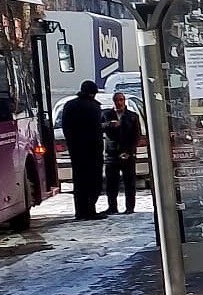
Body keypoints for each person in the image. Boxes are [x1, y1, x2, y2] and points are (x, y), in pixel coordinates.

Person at [62, 81, 105, 221]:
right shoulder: (93, 107)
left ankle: (80, 211)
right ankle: (90, 210)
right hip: (92, 151)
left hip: (76, 151)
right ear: (93, 92)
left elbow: (65, 128)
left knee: (79, 181)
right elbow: (96, 129)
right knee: (93, 181)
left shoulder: (69, 105)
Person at [102, 91, 144, 215]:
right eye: (116, 100)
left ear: (124, 101)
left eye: (121, 100)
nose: (119, 103)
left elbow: (137, 135)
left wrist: (129, 151)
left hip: (127, 153)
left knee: (129, 182)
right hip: (111, 154)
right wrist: (109, 124)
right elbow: (99, 126)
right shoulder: (107, 114)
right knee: (111, 183)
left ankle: (130, 207)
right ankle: (112, 207)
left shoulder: (132, 116)